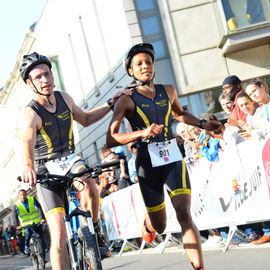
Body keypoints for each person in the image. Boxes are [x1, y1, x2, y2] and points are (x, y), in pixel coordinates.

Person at [106, 43, 222, 270]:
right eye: (138, 64)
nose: (145, 66)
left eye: (148, 62)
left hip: (172, 158)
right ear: (131, 71)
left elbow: (179, 114)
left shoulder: (168, 90)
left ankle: (199, 267)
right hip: (147, 164)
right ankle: (149, 225)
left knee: (184, 212)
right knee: (160, 226)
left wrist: (204, 124)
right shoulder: (126, 99)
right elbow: (111, 138)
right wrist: (141, 133)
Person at [19, 52, 129, 269]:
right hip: (45, 171)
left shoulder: (64, 98)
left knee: (89, 186)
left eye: (47, 74)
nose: (46, 80)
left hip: (70, 160)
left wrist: (110, 103)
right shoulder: (30, 114)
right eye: (39, 77)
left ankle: (95, 232)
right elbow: (27, 145)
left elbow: (86, 119)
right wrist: (28, 167)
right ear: (30, 83)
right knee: (59, 234)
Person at [13, 189, 46, 258]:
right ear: (19, 196)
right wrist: (17, 225)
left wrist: (42, 218)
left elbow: (39, 208)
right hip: (26, 224)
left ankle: (43, 255)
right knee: (27, 235)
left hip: (36, 222)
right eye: (21, 195)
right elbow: (14, 216)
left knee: (41, 238)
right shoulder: (17, 205)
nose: (23, 196)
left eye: (24, 194)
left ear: (26, 194)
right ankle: (27, 248)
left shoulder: (32, 199)